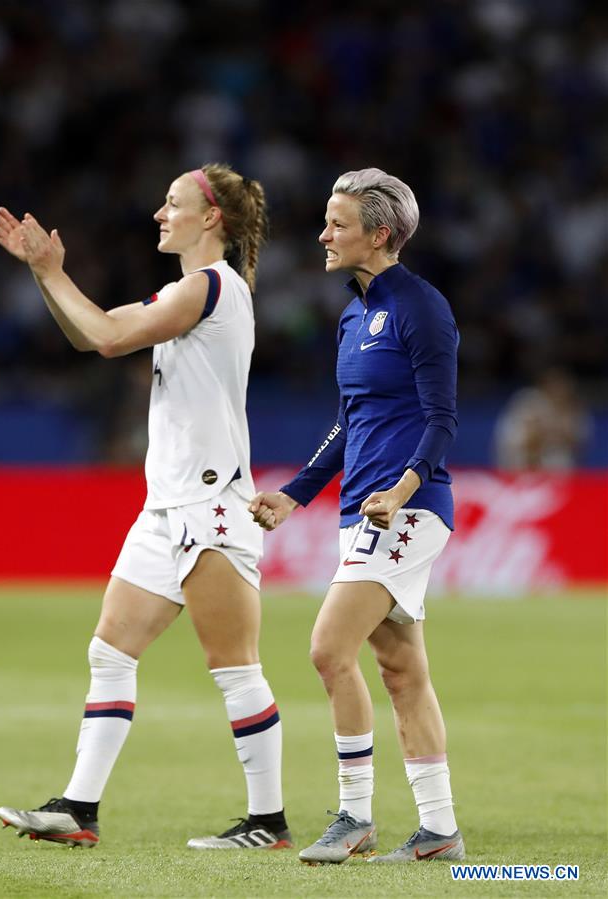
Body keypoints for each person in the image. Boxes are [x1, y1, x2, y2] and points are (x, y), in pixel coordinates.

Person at [0, 164, 292, 851]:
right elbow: (89, 330)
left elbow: (108, 338)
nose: (160, 212)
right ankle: (78, 806)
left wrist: (53, 271)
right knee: (110, 650)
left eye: (172, 203)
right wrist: (44, 272)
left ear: (210, 218)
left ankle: (267, 821)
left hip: (212, 506)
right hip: (166, 509)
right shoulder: (186, 291)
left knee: (235, 666)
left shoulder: (212, 286)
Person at [250, 168, 465, 864]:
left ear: (378, 233)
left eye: (336, 223)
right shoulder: (352, 314)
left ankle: (354, 815)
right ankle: (438, 829)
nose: (322, 233)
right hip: (361, 510)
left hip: (404, 511)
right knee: (402, 671)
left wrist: (402, 489)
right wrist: (296, 492)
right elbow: (347, 424)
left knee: (326, 648)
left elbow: (441, 419)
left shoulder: (421, 307)